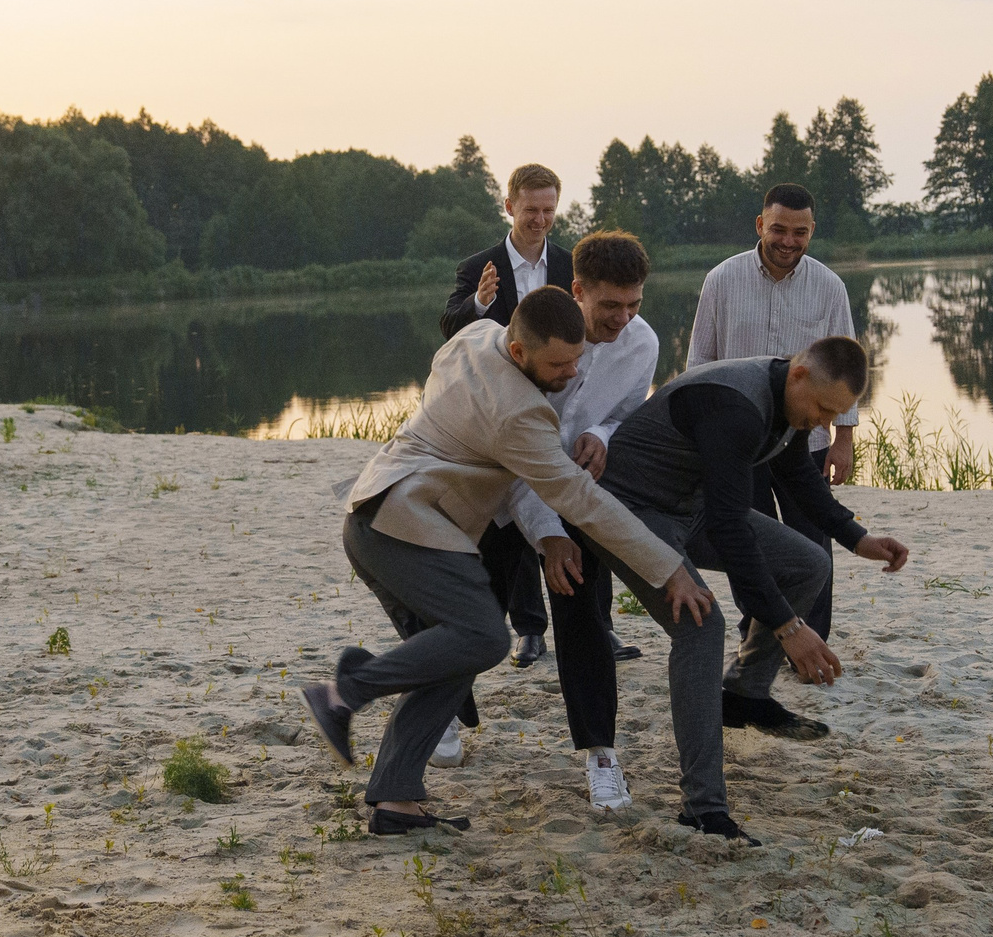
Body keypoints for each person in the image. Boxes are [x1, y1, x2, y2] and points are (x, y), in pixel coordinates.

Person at [303, 286, 712, 836]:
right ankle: (344, 690)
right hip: (401, 529)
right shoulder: (520, 414)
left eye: (577, 359)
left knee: (454, 653)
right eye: (559, 364)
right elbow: (583, 501)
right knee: (486, 639)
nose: (572, 375)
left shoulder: (475, 336)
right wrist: (671, 568)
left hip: (375, 512)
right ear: (519, 354)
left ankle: (396, 803)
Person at [566, 337, 911, 846]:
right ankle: (703, 809)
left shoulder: (787, 403)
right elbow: (732, 529)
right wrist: (789, 627)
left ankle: (744, 693)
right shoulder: (736, 407)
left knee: (808, 563)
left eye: (833, 416)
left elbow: (796, 474)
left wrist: (857, 537)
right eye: (820, 409)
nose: (822, 423)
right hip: (630, 510)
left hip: (690, 505)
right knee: (702, 625)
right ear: (798, 375)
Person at [462, 229, 660, 808]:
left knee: (585, 618)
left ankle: (601, 754)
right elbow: (514, 451)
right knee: (475, 610)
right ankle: (446, 714)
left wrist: (603, 433)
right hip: (503, 488)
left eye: (634, 304)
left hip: (579, 490)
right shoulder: (526, 343)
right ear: (576, 291)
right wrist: (546, 535)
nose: (624, 318)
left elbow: (631, 411)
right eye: (610, 306)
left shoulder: (641, 342)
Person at [687, 182, 861, 639]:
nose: (788, 241)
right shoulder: (721, 280)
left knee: (812, 542)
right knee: (748, 542)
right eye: (779, 229)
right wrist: (702, 443)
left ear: (812, 231)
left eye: (799, 232)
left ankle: (814, 635)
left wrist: (844, 439)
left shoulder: (829, 287)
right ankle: (757, 633)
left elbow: (846, 370)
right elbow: (698, 364)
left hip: (809, 440)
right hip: (740, 442)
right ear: (761, 224)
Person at [440, 162, 573, 665]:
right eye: (530, 209)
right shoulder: (480, 266)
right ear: (509, 206)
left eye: (548, 210)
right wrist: (479, 302)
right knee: (507, 521)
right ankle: (528, 630)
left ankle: (587, 628)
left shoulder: (568, 264)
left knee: (560, 509)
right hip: (494, 411)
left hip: (557, 404)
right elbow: (449, 326)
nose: (540, 219)